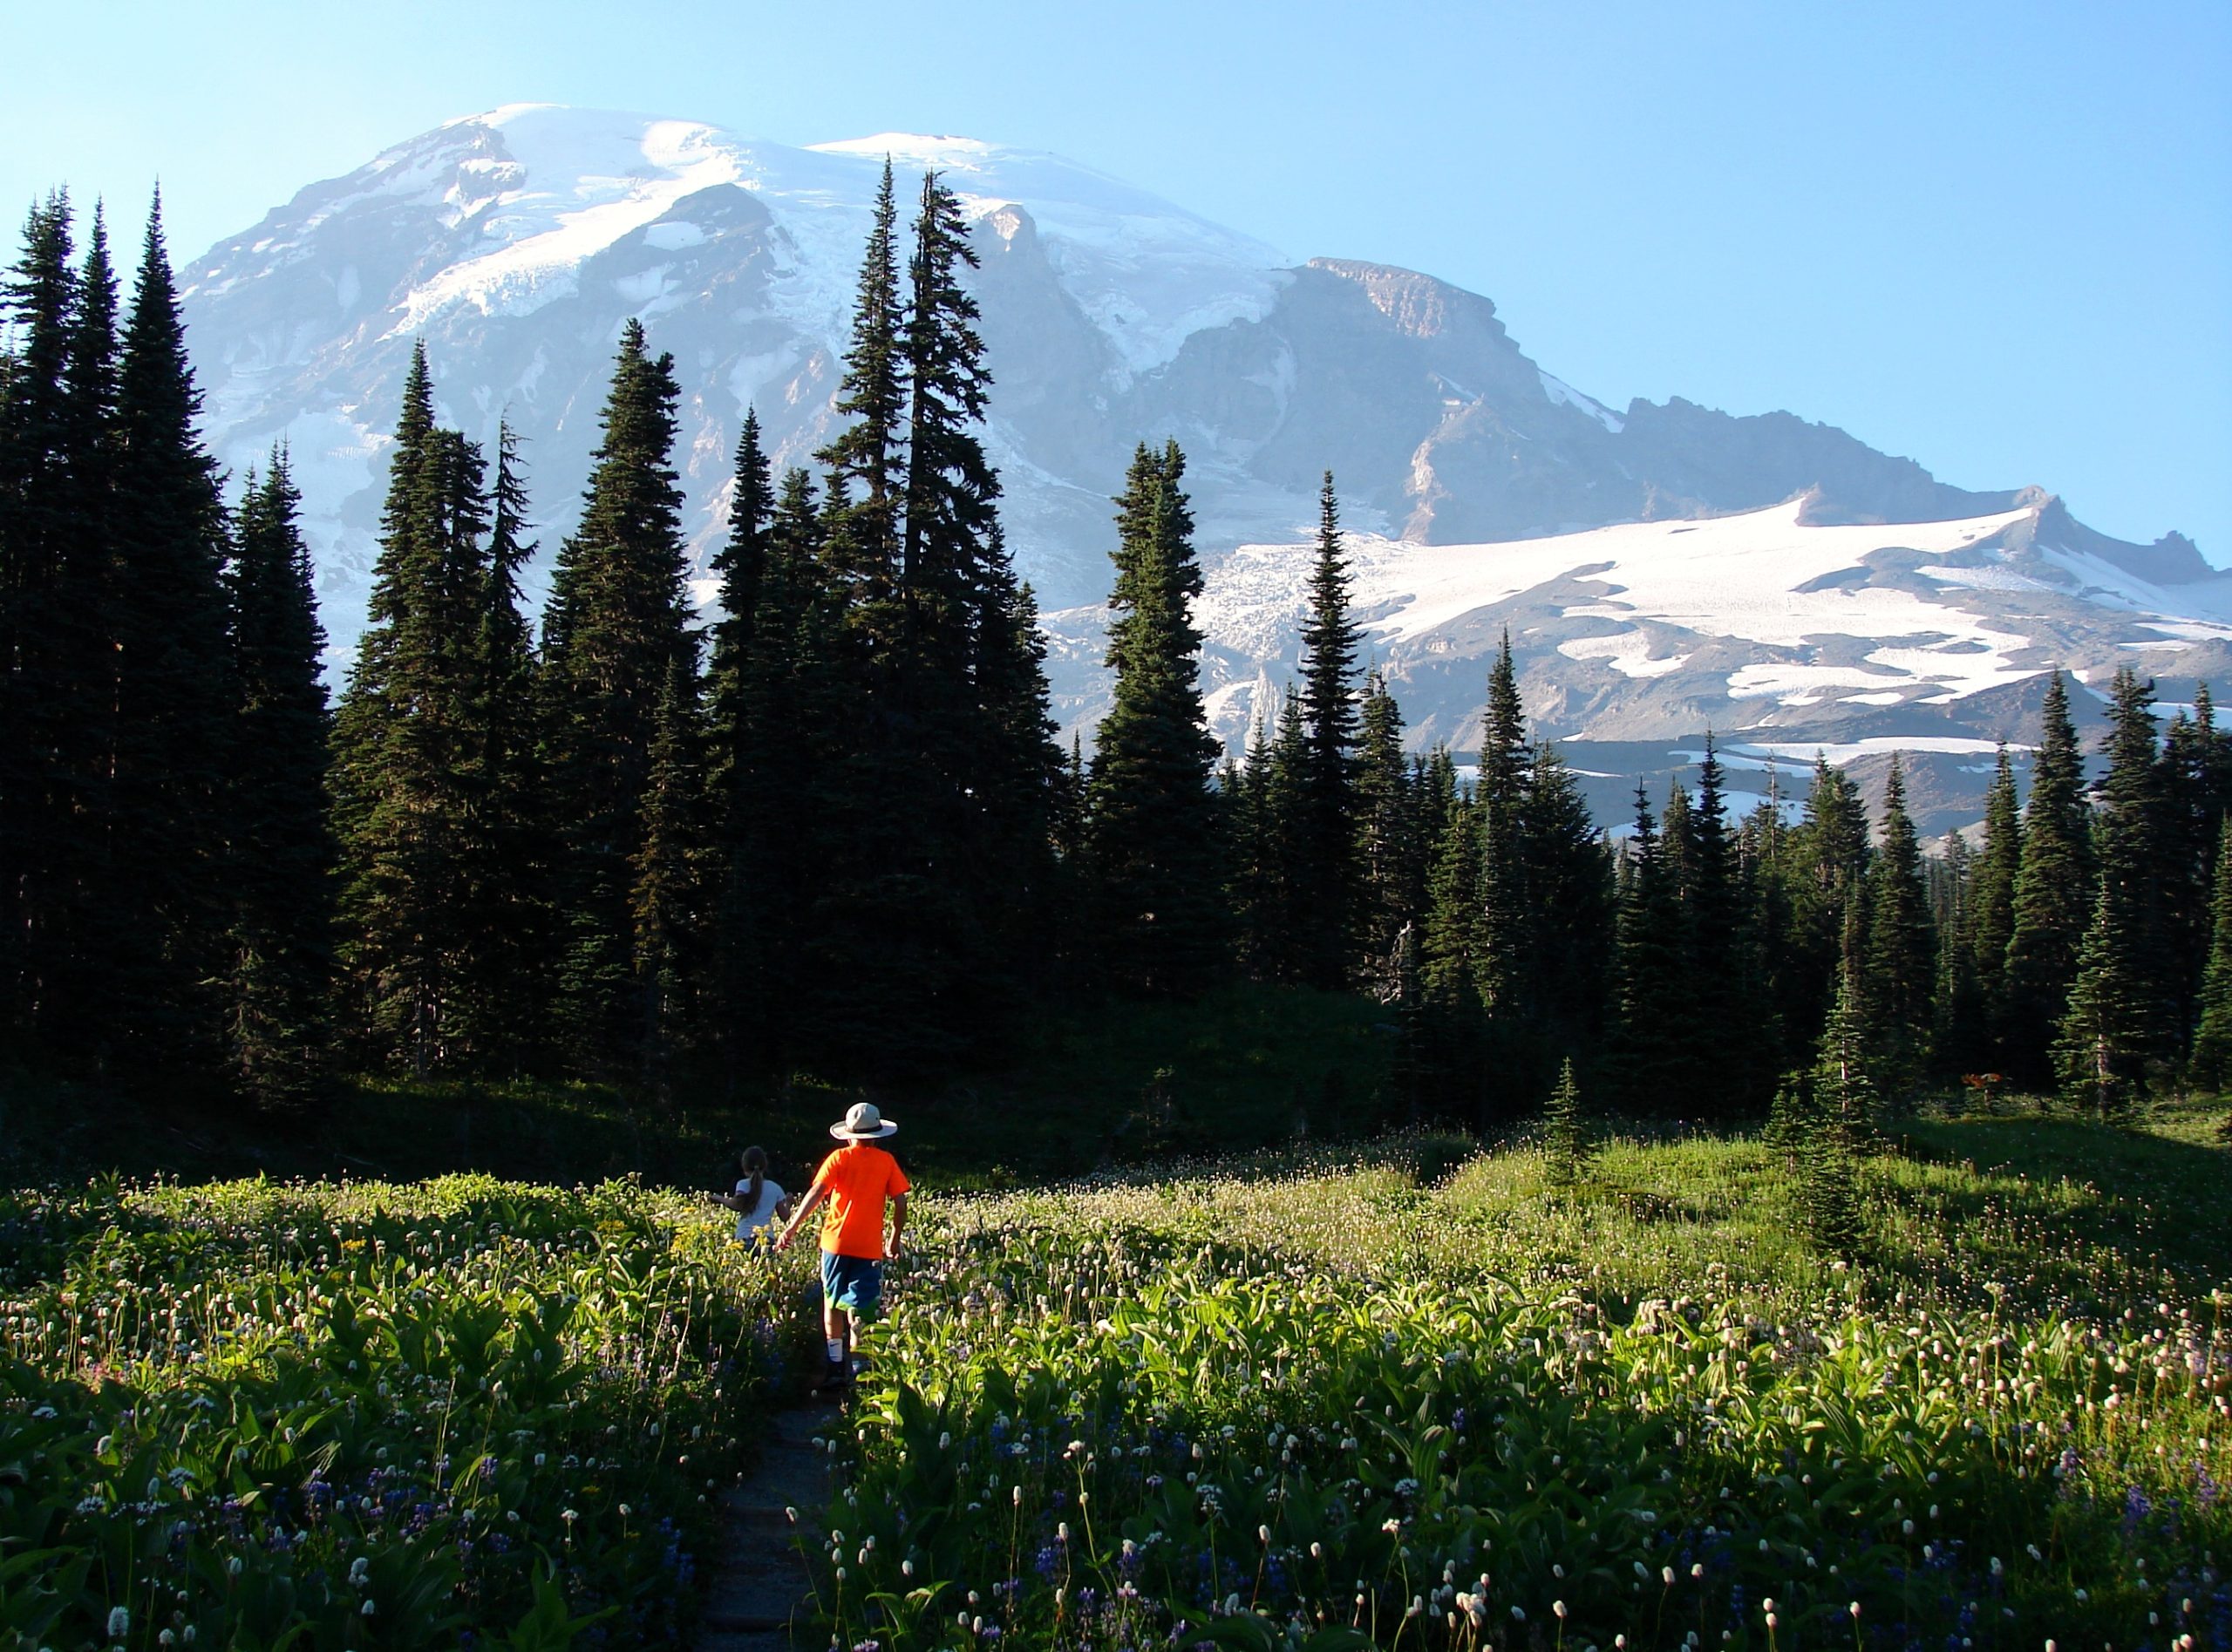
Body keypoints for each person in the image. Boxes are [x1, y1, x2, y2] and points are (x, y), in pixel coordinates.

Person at [772, 1101, 908, 1396]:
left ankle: (835, 1367)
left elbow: (816, 1193)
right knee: (861, 1309)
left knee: (832, 1302)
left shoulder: (837, 1158)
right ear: (877, 1136)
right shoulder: (886, 1162)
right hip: (869, 1247)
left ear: (849, 1135)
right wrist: (894, 1238)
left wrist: (792, 1227)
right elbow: (901, 1202)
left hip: (834, 1243)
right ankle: (861, 1374)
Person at [706, 1146, 787, 1244]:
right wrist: (789, 1202)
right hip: (767, 1239)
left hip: (744, 1236)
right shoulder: (775, 1188)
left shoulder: (743, 1184)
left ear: (744, 1166)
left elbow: (737, 1204)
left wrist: (719, 1198)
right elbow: (785, 1216)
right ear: (765, 1166)